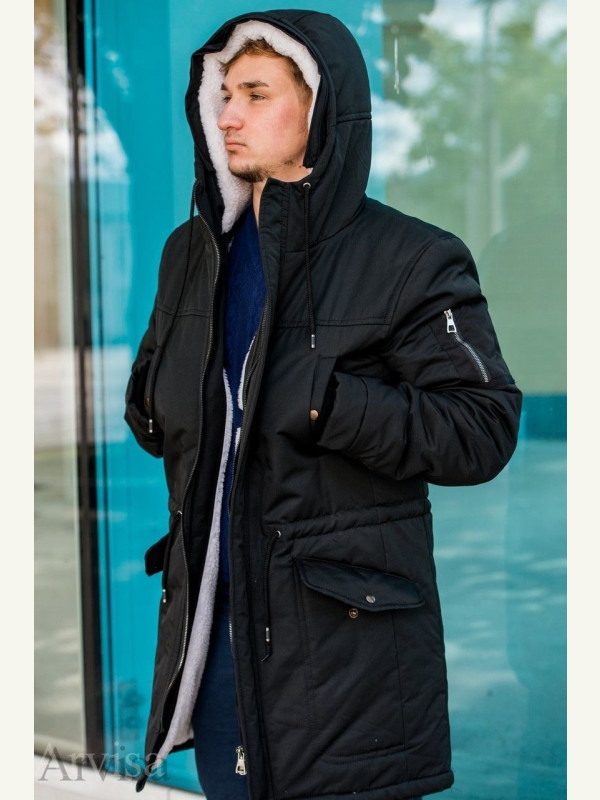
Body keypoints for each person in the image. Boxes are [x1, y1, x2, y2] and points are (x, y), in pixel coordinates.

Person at [125, 10, 522, 800]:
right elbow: (158, 409)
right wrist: (162, 407)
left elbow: (482, 428)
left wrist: (328, 403)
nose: (228, 115)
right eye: (224, 95)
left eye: (256, 94)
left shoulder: (410, 257)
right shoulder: (192, 251)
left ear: (321, 109)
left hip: (345, 653)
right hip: (216, 639)